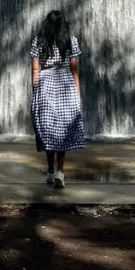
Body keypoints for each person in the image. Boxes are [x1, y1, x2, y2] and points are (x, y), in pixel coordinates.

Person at [30, 10, 84, 189]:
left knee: (48, 130)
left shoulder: (38, 40)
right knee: (63, 129)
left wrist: (35, 90)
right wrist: (77, 93)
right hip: (65, 83)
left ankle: (50, 170)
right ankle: (60, 171)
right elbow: (74, 68)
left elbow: (35, 69)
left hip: (45, 83)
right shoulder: (71, 40)